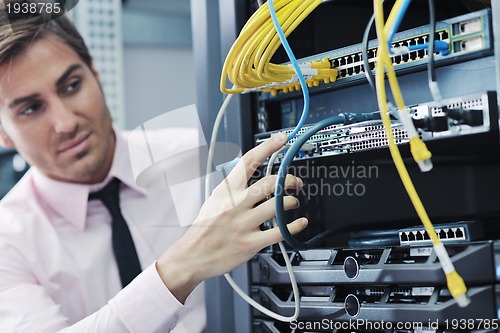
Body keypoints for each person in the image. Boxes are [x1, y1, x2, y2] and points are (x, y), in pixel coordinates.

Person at [0, 14, 308, 333]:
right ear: (3, 134)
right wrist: (182, 266)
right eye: (31, 108)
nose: (66, 122)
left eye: (72, 86)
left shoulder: (203, 155)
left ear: (95, 73)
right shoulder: (7, 239)